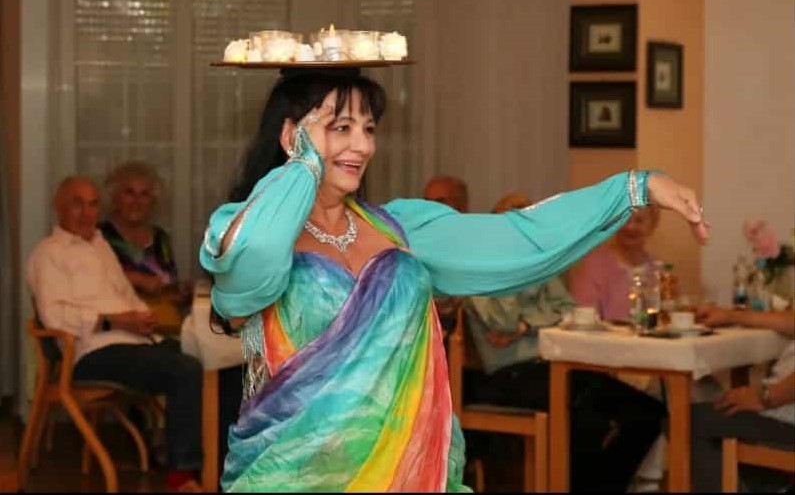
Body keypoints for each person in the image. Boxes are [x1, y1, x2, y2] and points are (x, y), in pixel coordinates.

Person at [198, 67, 709, 492]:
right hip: (295, 476)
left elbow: (520, 237)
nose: (363, 145)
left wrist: (635, 188)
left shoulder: (403, 230)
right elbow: (255, 262)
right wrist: (303, 163)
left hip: (412, 473)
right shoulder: (241, 231)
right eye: (341, 127)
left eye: (369, 128)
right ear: (293, 135)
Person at [466, 192, 666, 492]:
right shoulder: (480, 269)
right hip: (508, 375)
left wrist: (527, 324)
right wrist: (514, 274)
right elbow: (503, 322)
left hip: (550, 366)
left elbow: (569, 310)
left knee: (647, 411)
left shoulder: (538, 264)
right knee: (586, 413)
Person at [27, 176, 204, 493]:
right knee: (185, 370)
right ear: (59, 207)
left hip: (135, 341)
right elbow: (55, 317)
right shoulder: (47, 253)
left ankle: (218, 460)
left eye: (93, 204)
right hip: (91, 351)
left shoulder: (100, 244)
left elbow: (126, 295)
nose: (87, 213)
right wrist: (114, 322)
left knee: (210, 360)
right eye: (77, 203)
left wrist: (142, 317)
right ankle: (182, 476)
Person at [690, 306, 795, 492]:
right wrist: (732, 316)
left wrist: (766, 397)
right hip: (783, 408)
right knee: (712, 407)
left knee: (687, 422)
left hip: (786, 415)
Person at [100, 161, 191, 310]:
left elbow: (168, 285)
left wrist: (180, 292)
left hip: (161, 318)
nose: (137, 201)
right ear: (115, 199)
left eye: (144, 194)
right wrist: (137, 279)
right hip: (117, 320)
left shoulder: (160, 238)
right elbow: (88, 281)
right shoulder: (99, 236)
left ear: (153, 202)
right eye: (129, 193)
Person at [568, 204, 661, 323]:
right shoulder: (595, 264)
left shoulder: (658, 269)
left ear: (652, 225)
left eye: (639, 221)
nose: (631, 227)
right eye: (625, 220)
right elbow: (585, 316)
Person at [422, 175, 471, 341]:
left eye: (439, 202)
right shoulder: (415, 241)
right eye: (426, 202)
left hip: (462, 334)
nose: (430, 209)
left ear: (462, 207)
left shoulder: (473, 243)